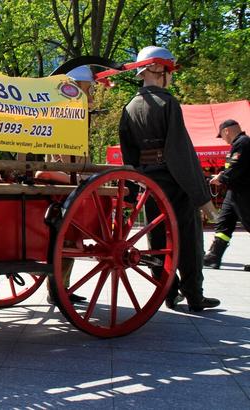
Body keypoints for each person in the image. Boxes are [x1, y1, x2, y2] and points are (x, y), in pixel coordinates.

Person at [118, 45, 220, 312]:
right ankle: (194, 296)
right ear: (157, 69)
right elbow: (181, 153)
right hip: (174, 182)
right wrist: (202, 197)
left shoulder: (128, 107)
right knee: (188, 238)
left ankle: (167, 292)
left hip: (148, 184)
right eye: (169, 70)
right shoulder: (168, 103)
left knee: (158, 241)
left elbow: (129, 157)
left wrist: (132, 190)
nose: (171, 76)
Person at [37, 65, 96, 304]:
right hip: (66, 190)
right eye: (88, 89)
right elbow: (61, 164)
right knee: (67, 241)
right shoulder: (66, 120)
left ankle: (60, 288)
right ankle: (59, 290)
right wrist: (83, 182)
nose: (91, 95)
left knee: (66, 241)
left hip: (66, 186)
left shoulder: (64, 117)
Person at [205, 119, 250, 271]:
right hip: (234, 191)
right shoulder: (239, 144)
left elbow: (237, 167)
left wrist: (222, 178)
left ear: (226, 131)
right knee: (224, 222)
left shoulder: (243, 143)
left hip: (245, 192)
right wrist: (222, 175)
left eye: (222, 136)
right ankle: (214, 256)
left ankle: (213, 256)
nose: (223, 139)